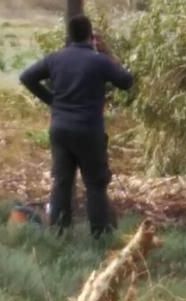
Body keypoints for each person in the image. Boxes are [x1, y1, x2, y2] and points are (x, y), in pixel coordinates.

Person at [19, 15, 133, 237]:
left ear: (69, 36)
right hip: (89, 131)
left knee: (62, 182)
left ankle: (59, 234)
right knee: (95, 184)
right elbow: (126, 81)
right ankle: (100, 237)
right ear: (91, 35)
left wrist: (53, 100)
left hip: (60, 129)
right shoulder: (99, 61)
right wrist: (107, 52)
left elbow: (27, 77)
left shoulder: (56, 58)